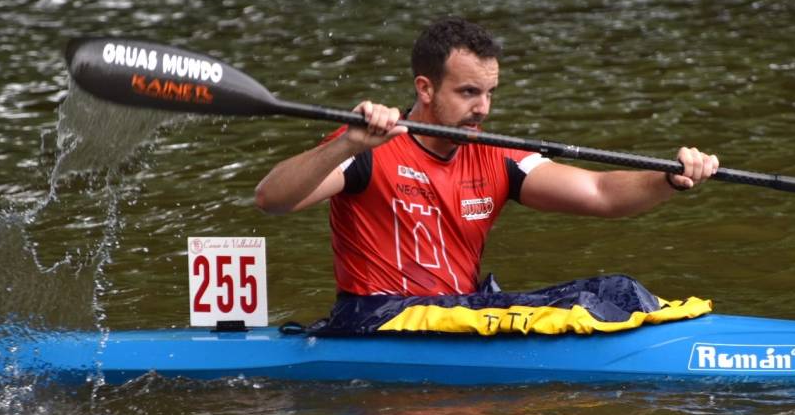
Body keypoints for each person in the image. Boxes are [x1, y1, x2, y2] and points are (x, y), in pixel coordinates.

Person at [254, 17, 718, 332]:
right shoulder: (368, 148)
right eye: (469, 93)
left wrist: (667, 179)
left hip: (459, 318)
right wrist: (347, 144)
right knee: (585, 305)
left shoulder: (495, 155)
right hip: (378, 318)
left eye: (490, 93)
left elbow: (600, 193)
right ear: (425, 89)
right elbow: (271, 199)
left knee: (616, 290)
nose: (483, 109)